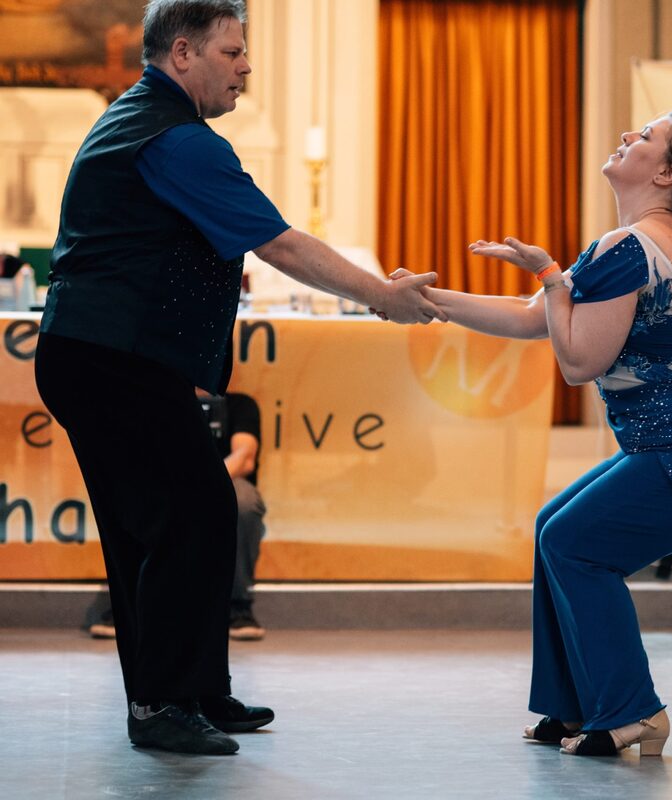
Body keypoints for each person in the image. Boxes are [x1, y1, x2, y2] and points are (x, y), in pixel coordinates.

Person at [35, 0, 444, 756]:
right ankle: (162, 703)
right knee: (183, 517)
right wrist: (382, 295)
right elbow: (279, 245)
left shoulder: (144, 119)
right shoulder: (176, 140)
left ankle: (192, 690)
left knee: (189, 516)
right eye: (232, 52)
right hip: (112, 358)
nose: (246, 66)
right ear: (182, 53)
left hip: (107, 356)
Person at [415, 110, 672, 757]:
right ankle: (574, 709)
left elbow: (579, 361)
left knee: (575, 543)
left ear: (667, 174)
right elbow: (533, 318)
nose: (627, 137)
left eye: (645, 137)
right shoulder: (633, 242)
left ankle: (632, 712)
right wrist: (425, 302)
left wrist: (552, 278)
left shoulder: (631, 245)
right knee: (554, 527)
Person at [88, 390, 269, 641]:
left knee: (245, 503)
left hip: (224, 480)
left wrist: (200, 482)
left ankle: (237, 608)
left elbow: (245, 458)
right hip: (168, 481)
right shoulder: (159, 399)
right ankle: (130, 607)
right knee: (137, 495)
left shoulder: (240, 404)